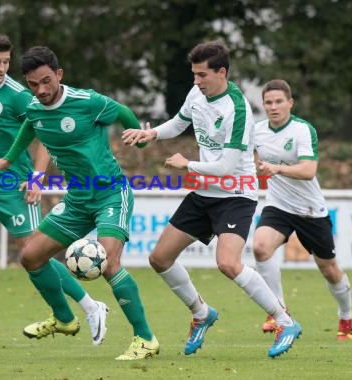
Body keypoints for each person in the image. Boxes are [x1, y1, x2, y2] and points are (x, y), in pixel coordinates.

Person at [122, 41, 302, 358]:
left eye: (202, 75)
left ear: (222, 72)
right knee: (159, 259)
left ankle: (285, 321)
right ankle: (202, 313)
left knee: (228, 263)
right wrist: (152, 134)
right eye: (194, 74)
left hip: (235, 193)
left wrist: (186, 164)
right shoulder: (197, 93)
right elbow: (179, 122)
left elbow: (227, 167)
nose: (196, 81)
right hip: (204, 192)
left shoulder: (238, 109)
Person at [0, 46, 159, 361]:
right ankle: (64, 319)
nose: (42, 90)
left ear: (59, 74)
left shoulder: (86, 102)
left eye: (47, 81)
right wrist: (8, 160)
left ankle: (145, 339)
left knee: (109, 263)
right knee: (31, 256)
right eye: (34, 84)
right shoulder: (35, 107)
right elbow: (29, 129)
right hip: (77, 200)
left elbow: (121, 111)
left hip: (109, 193)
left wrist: (138, 134)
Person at [0, 33, 108, 346]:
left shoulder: (18, 96)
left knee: (35, 257)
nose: (2, 68)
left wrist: (37, 177)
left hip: (17, 189)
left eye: (6, 62)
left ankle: (90, 306)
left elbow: (42, 135)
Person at [252, 79, 352, 340]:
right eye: (268, 102)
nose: (273, 107)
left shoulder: (302, 130)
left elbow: (309, 171)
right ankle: (278, 310)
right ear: (263, 105)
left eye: (278, 102)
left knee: (329, 270)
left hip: (310, 210)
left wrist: (277, 168)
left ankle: (346, 317)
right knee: (261, 248)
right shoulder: (257, 131)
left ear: (290, 103)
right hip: (278, 204)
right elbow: (254, 162)